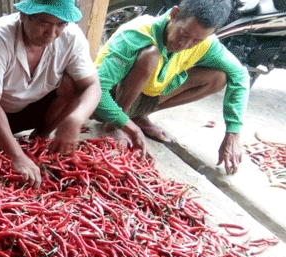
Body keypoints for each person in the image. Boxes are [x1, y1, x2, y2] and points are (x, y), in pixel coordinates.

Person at [0, 0, 101, 188]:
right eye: (44, 23)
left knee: (75, 83)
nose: (52, 34)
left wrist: (75, 120)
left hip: (36, 110)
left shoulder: (72, 37)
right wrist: (17, 157)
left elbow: (93, 85)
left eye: (60, 24)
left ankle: (40, 137)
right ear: (23, 16)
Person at [94, 0, 249, 174]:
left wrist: (233, 132)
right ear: (174, 15)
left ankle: (138, 115)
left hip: (144, 95)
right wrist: (125, 124)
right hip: (106, 100)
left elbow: (240, 74)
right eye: (183, 34)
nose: (185, 44)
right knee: (150, 56)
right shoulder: (138, 33)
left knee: (218, 78)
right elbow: (97, 92)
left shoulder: (204, 43)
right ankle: (112, 125)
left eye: (196, 40)